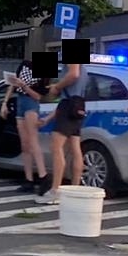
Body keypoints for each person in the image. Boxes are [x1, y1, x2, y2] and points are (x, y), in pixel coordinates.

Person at [37, 61, 86, 205]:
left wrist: (56, 87)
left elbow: (73, 74)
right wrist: (48, 118)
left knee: (56, 147)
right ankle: (75, 190)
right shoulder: (86, 69)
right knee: (76, 148)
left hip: (69, 106)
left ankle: (55, 191)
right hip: (78, 105)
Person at [3, 63, 50, 196]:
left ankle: (43, 177)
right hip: (20, 102)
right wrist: (5, 103)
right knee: (25, 144)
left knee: (33, 140)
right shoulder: (24, 65)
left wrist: (23, 85)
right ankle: (28, 179)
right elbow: (12, 84)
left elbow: (38, 96)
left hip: (31, 103)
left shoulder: (44, 76)